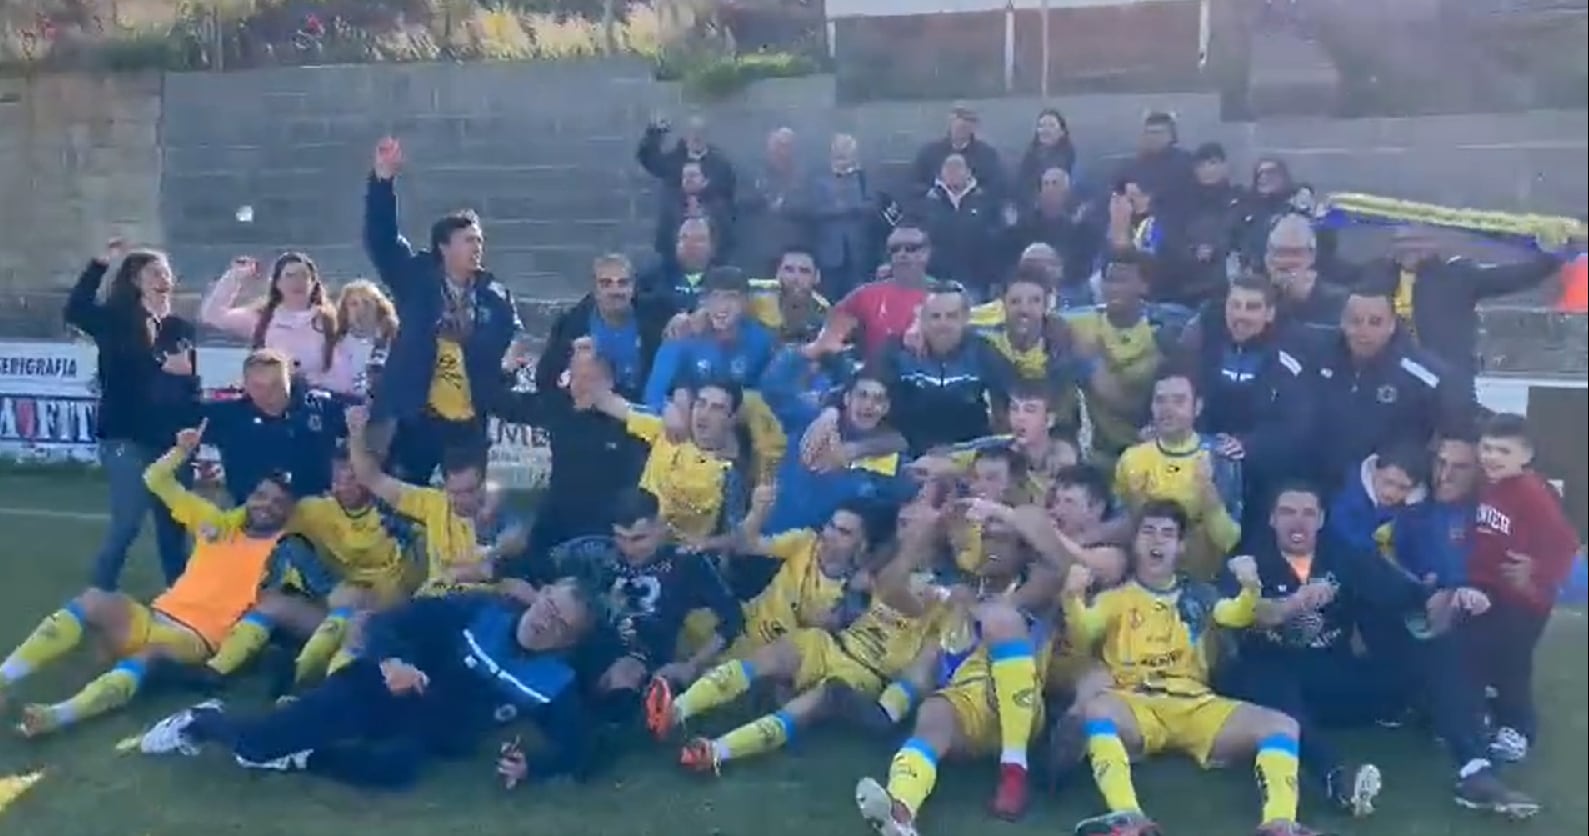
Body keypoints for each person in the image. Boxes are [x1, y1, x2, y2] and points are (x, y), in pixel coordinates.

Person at [137, 578, 613, 790]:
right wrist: (392, 662)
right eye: (549, 607)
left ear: (569, 641)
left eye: (561, 624)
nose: (545, 622)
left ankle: (304, 756)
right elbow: (389, 623)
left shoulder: (553, 682)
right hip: (376, 690)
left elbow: (579, 748)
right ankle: (200, 720)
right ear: (540, 594)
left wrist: (533, 767)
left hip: (424, 730)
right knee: (256, 747)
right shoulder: (477, 612)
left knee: (394, 771)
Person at [0, 420, 296, 736]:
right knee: (95, 599)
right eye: (261, 496)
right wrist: (181, 450)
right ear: (249, 496)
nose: (266, 506)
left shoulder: (284, 551)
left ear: (290, 513)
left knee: (147, 655)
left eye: (279, 503)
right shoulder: (215, 522)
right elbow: (155, 478)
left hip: (194, 639)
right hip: (152, 616)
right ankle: (4, 677)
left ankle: (56, 716)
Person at [1063, 500, 1326, 836]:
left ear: (1181, 547)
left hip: (1196, 704)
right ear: (1135, 542)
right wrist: (1072, 598)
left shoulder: (1198, 595)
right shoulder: (1115, 598)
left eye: (1167, 534)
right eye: (1148, 532)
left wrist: (1250, 588)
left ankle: (1279, 823)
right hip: (1136, 703)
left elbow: (1235, 615)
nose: (1157, 540)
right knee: (1098, 710)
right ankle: (1127, 816)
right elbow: (1084, 631)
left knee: (1282, 726)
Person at [646, 506, 944, 774]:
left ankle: (716, 752)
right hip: (825, 643)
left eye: (913, 526)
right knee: (772, 656)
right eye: (903, 524)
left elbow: (918, 651)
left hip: (863, 671)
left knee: (810, 702)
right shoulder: (873, 569)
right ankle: (673, 712)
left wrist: (892, 706)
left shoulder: (942, 594)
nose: (906, 532)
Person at [361, 136, 525, 483]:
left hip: (467, 422)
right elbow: (382, 239)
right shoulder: (416, 278)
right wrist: (382, 182)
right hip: (414, 417)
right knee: (400, 498)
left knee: (465, 502)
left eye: (480, 241)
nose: (477, 248)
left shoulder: (494, 295)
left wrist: (508, 365)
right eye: (468, 241)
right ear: (443, 247)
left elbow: (512, 341)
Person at [63, 238, 200, 590]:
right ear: (135, 280)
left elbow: (187, 386)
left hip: (171, 440)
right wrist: (99, 263)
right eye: (154, 272)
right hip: (125, 435)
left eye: (166, 272)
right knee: (127, 522)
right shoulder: (115, 319)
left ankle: (180, 599)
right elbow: (76, 310)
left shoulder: (180, 328)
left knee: (174, 525)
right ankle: (97, 595)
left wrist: (192, 431)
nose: (163, 278)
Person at [1465, 412, 1582, 763]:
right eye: (1487, 448)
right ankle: (1487, 715)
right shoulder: (1487, 485)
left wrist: (1537, 571)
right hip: (1493, 591)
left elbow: (1567, 543)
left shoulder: (1532, 493)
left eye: (1503, 451)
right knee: (1481, 654)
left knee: (1512, 664)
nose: (1492, 457)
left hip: (1526, 600)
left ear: (1526, 455)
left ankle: (1519, 730)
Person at [496, 343, 650, 569]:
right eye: (574, 376)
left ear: (609, 382)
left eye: (588, 378)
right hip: (556, 522)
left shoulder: (631, 422)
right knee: (508, 563)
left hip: (608, 533)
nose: (579, 386)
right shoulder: (558, 408)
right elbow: (501, 404)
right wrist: (509, 368)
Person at [1359, 224, 1563, 393]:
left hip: (1447, 386)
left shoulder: (1457, 278)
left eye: (1417, 242)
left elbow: (1515, 276)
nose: (1409, 248)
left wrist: (1556, 254)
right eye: (1402, 242)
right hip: (1389, 382)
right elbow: (1341, 272)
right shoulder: (1378, 274)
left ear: (1433, 245)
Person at [1310, 283, 1471, 491]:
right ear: (1342, 322)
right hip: (1320, 486)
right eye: (1355, 321)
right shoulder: (1316, 358)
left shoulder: (1426, 376)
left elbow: (1457, 436)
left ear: (1392, 325)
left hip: (1391, 491)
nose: (1364, 331)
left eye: (1375, 322)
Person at [344, 405, 492, 596]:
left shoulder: (500, 514)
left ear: (483, 485)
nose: (463, 499)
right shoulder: (433, 503)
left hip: (482, 602)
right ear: (445, 487)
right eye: (455, 492)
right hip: (434, 600)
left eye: (470, 491)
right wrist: (356, 434)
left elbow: (500, 569)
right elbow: (371, 478)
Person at [1113, 367, 1243, 580]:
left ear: (1197, 407)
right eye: (1160, 400)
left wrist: (1208, 496)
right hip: (1144, 577)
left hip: (1203, 580)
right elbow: (1120, 530)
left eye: (1179, 400)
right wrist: (1137, 504)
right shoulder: (1132, 458)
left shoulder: (1219, 457)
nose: (1168, 409)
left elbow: (1229, 541)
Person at [870, 281, 1014, 454]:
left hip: (968, 452)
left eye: (951, 316)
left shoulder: (982, 352)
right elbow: (864, 388)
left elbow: (1013, 397)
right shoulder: (898, 350)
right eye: (935, 316)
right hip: (905, 452)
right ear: (923, 318)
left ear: (965, 318)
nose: (943, 324)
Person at [536, 253, 671, 402]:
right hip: (589, 410)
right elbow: (546, 379)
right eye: (606, 283)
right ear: (595, 290)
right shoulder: (571, 326)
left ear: (633, 287)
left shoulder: (658, 321)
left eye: (622, 283)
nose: (615, 291)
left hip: (644, 409)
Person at [199, 253, 344, 389]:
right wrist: (235, 277)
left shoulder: (328, 322)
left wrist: (306, 381)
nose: (297, 282)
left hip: (317, 398)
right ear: (277, 283)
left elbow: (341, 376)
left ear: (313, 283)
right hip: (267, 397)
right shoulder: (261, 319)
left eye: (304, 276)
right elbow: (213, 315)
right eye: (290, 276)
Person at [806, 224, 934, 359]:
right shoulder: (864, 296)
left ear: (926, 253)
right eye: (895, 249)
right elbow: (827, 340)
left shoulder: (942, 296)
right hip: (876, 370)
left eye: (911, 248)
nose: (902, 254)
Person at [910, 154, 1000, 298]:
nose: (953, 172)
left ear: (969, 173)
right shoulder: (925, 204)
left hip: (974, 281)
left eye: (958, 167)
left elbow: (996, 242)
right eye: (948, 168)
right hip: (933, 281)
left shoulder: (986, 203)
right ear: (941, 173)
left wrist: (995, 278)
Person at [910, 103, 1004, 202]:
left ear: (975, 126)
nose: (961, 124)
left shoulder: (987, 155)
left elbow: (995, 187)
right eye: (957, 119)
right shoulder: (929, 153)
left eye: (968, 121)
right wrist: (931, 194)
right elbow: (914, 184)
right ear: (950, 122)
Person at [637, 113, 736, 204]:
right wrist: (655, 132)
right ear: (685, 136)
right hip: (677, 215)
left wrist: (704, 189)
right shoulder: (673, 161)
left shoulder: (720, 165)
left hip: (709, 215)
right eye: (692, 131)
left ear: (707, 135)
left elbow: (727, 193)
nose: (697, 136)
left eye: (701, 132)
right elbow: (649, 159)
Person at [326, 279, 400, 398]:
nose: (361, 309)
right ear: (345, 310)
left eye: (366, 303)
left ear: (378, 307)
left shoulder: (393, 339)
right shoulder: (336, 343)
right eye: (354, 304)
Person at [1013, 108, 1077, 203]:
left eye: (1051, 125)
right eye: (1041, 126)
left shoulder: (1070, 157)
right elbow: (1021, 187)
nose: (1045, 130)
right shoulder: (1030, 156)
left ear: (1062, 131)